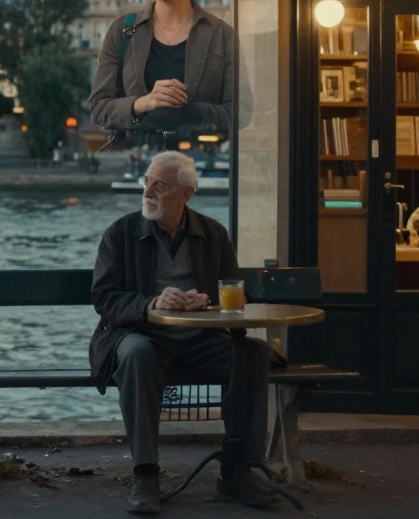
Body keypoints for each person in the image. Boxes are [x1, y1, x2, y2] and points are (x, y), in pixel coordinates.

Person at [88, 151, 278, 514]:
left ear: (186, 193)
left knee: (253, 354)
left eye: (160, 185)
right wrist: (150, 304)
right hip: (140, 336)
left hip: (198, 340)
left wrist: (207, 301)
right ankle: (145, 473)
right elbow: (104, 298)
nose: (148, 191)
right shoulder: (121, 233)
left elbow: (235, 290)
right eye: (147, 181)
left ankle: (238, 470)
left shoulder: (213, 234)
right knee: (137, 356)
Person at [88, 0, 239, 135]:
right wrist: (143, 103)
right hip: (140, 161)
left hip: (202, 159)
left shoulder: (223, 35)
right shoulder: (122, 30)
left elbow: (241, 112)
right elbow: (98, 108)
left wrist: (190, 110)